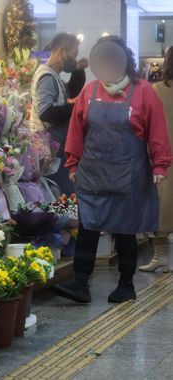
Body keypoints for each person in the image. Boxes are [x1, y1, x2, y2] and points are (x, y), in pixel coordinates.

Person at [54, 36, 172, 304]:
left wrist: (161, 163)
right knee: (88, 225)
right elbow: (76, 130)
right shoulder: (89, 90)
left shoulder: (144, 91)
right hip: (92, 171)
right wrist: (73, 162)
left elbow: (157, 131)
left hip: (129, 173)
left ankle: (126, 284)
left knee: (125, 228)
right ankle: (80, 283)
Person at [30, 33, 88, 196]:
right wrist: (77, 107)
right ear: (62, 52)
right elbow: (46, 113)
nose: (76, 59)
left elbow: (69, 92)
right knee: (58, 192)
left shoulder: (53, 75)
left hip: (53, 143)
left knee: (63, 191)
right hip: (46, 143)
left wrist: (78, 70)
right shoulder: (47, 76)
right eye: (74, 55)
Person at [139, 47, 173, 273]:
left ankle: (160, 256)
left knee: (162, 204)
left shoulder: (157, 90)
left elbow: (145, 124)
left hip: (163, 156)